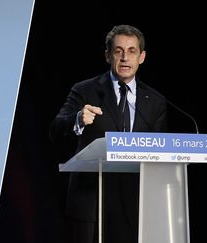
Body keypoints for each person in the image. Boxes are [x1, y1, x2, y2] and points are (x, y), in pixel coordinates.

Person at [49, 25, 167, 243]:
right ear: (108, 55)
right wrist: (77, 119)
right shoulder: (85, 90)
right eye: (118, 51)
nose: (124, 58)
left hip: (133, 204)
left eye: (131, 51)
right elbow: (55, 130)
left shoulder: (156, 102)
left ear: (141, 57)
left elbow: (157, 155)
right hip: (90, 200)